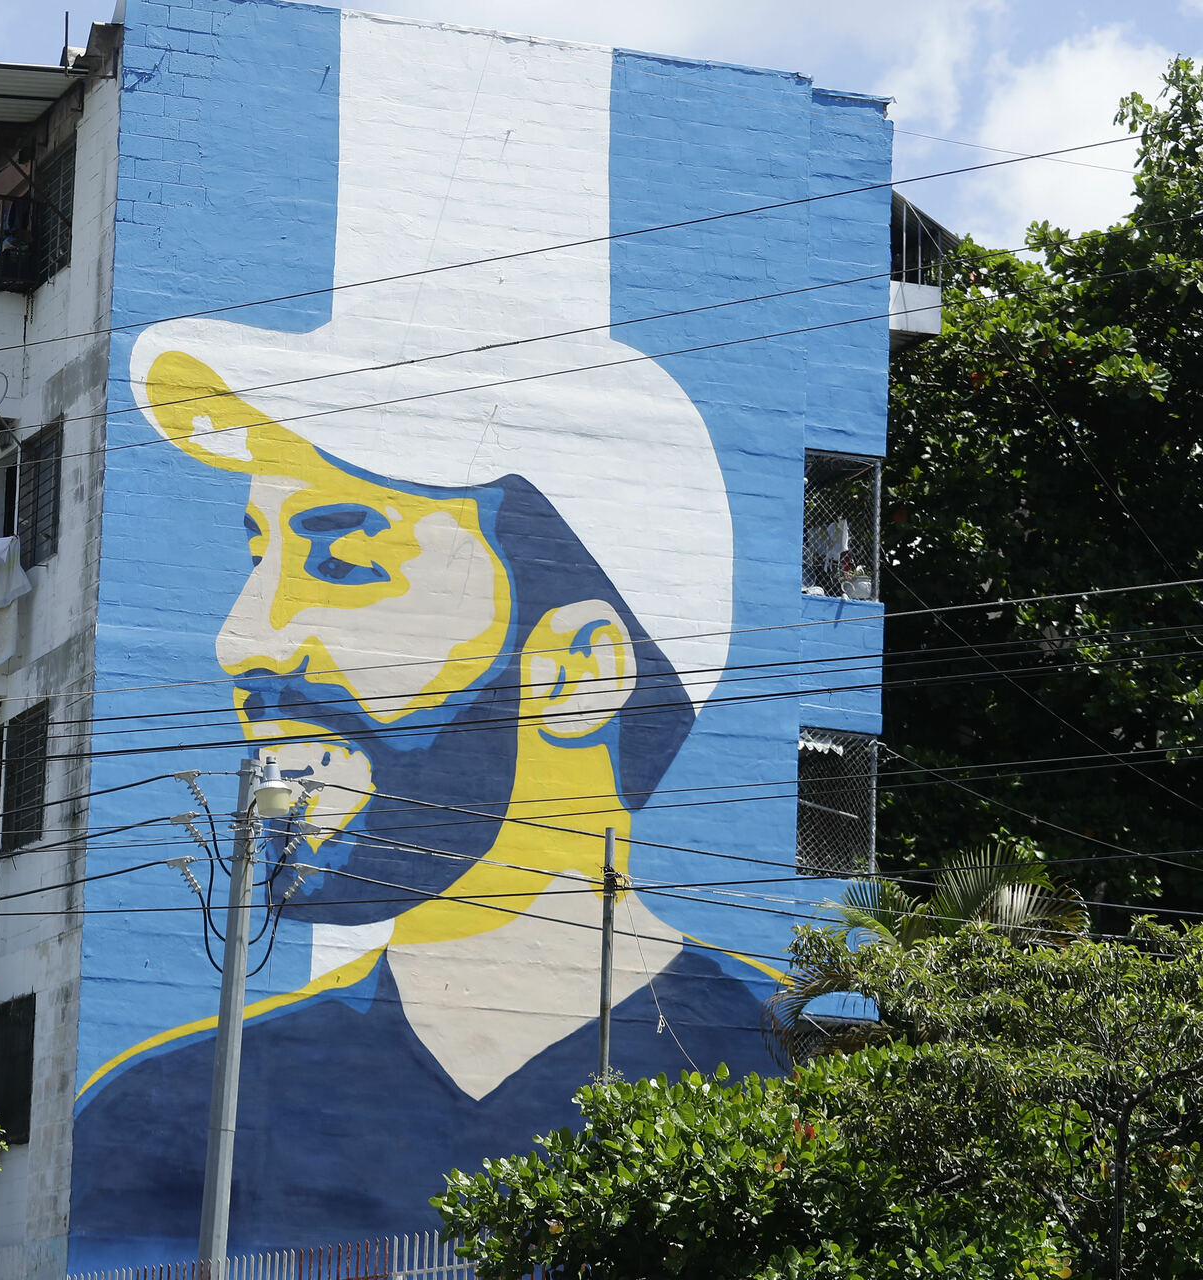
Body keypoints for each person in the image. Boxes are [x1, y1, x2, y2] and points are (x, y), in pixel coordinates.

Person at [71, 17, 769, 1262]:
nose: (243, 638)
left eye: (343, 555)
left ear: (579, 668)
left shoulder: (782, 1099)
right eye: (256, 554)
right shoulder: (154, 1129)